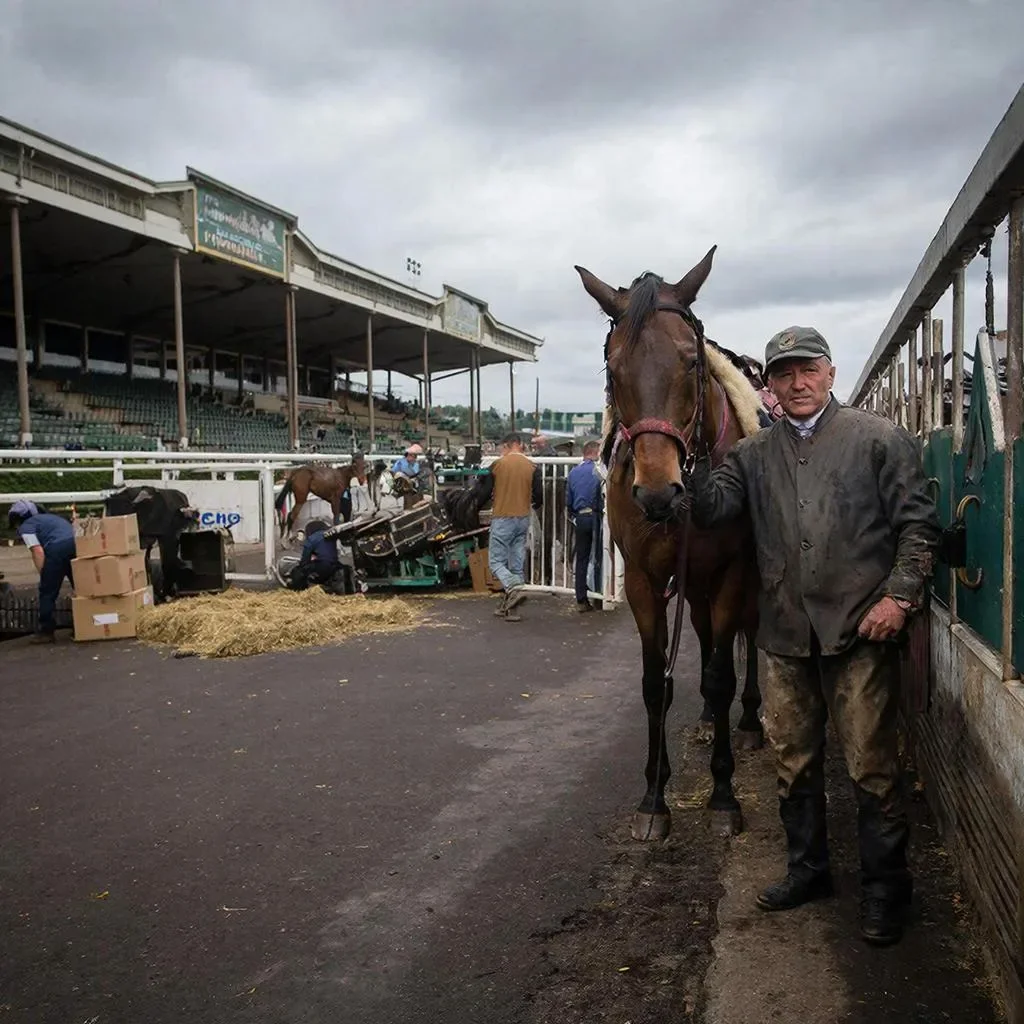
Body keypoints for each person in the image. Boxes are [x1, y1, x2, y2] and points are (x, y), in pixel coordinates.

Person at [683, 326, 940, 947]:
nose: (797, 384)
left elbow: (919, 526)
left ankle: (885, 890)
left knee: (871, 766)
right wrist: (685, 460)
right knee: (793, 762)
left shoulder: (880, 440)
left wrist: (899, 596)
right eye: (783, 374)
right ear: (768, 384)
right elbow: (714, 510)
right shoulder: (752, 455)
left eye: (808, 370)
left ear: (830, 373)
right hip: (784, 635)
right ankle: (809, 870)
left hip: (860, 632)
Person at [476, 433, 543, 621]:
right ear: (519, 445)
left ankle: (513, 588)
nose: (500, 451)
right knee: (516, 564)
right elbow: (539, 495)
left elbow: (483, 494)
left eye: (501, 447)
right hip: (523, 518)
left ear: (508, 445)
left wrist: (474, 508)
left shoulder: (497, 465)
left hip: (502, 517)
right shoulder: (532, 467)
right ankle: (510, 609)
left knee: (496, 562)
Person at [7, 499, 77, 643]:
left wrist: (44, 574)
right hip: (76, 544)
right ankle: (84, 625)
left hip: (56, 550)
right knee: (80, 587)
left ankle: (46, 631)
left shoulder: (26, 527)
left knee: (47, 592)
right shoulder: (52, 518)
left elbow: (37, 550)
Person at [566, 440, 604, 612]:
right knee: (598, 556)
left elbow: (568, 500)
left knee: (581, 558)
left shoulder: (573, 472)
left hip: (580, 517)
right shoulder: (599, 471)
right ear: (596, 453)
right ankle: (598, 594)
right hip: (596, 516)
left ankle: (581, 599)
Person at [281, 520, 341, 591]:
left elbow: (304, 561)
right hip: (334, 567)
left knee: (298, 571)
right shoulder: (331, 538)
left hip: (321, 568)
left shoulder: (311, 539)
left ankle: (296, 587)